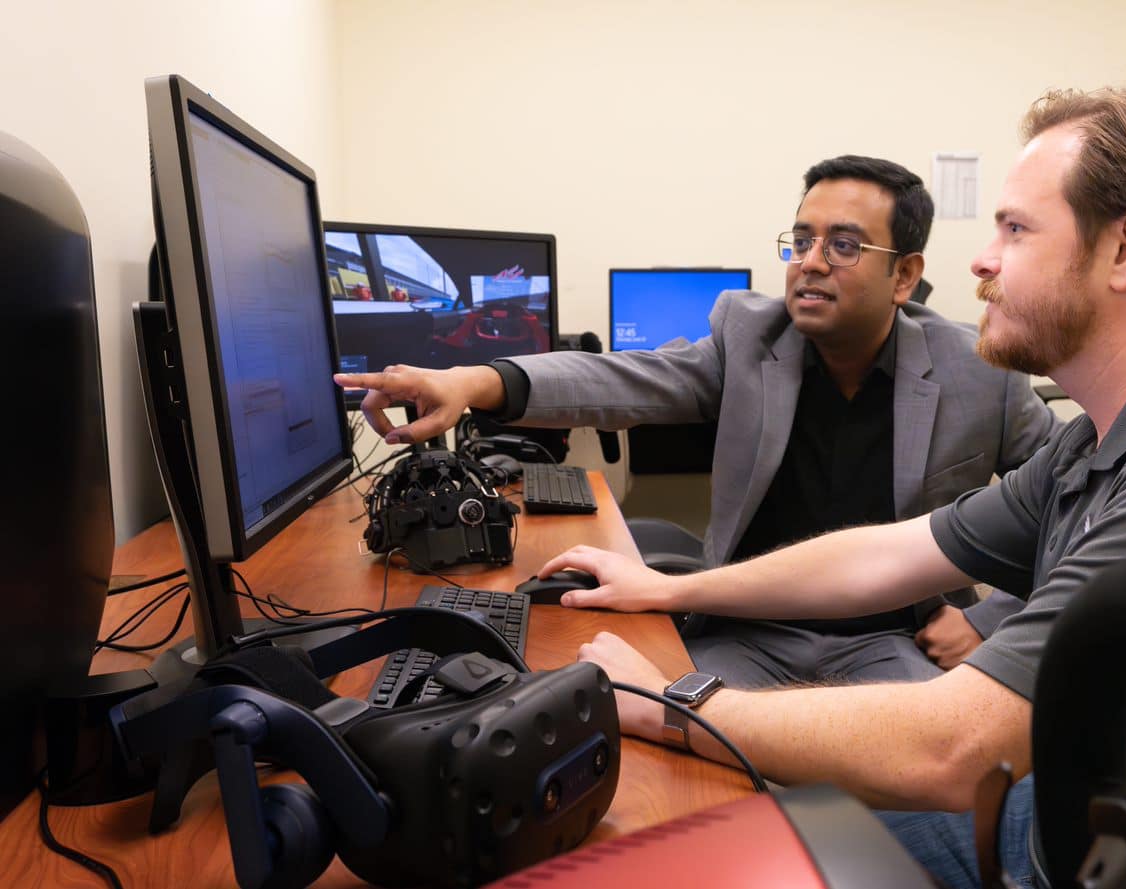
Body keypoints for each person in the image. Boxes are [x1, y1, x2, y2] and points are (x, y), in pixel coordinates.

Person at [525, 88, 1126, 887]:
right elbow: (888, 555)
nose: (981, 261)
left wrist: (673, 699)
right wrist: (669, 584)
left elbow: (958, 748)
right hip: (1079, 815)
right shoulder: (1105, 432)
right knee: (701, 831)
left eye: (1014, 229)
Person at [337, 155, 1058, 686]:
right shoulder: (751, 338)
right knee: (669, 772)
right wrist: (475, 380)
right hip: (749, 630)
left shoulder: (978, 371)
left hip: (892, 641)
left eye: (843, 245)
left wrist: (990, 620)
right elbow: (622, 377)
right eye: (800, 239)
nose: (809, 262)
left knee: (938, 799)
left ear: (904, 275)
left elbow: (1081, 504)